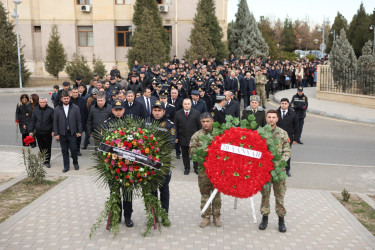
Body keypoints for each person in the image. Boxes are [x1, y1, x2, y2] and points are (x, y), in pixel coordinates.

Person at [259, 109, 291, 233]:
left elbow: (287, 151)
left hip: (279, 171)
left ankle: (281, 220)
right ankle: (264, 218)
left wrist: (279, 163)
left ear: (277, 119)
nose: (271, 119)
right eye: (269, 117)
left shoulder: (283, 133)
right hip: (265, 172)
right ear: (266, 118)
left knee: (280, 196)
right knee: (265, 196)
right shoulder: (260, 133)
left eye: (273, 117)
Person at [103, 99, 134, 228]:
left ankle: (128, 217)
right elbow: (103, 144)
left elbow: (134, 143)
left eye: (120, 109)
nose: (118, 111)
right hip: (113, 164)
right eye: (116, 109)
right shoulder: (107, 124)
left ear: (124, 110)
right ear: (112, 110)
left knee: (127, 192)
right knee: (114, 191)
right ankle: (117, 215)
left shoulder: (130, 123)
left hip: (127, 165)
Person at [190, 112, 222, 228]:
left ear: (212, 121)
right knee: (205, 194)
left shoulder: (219, 134)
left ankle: (217, 216)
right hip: (203, 170)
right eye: (203, 122)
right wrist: (202, 152)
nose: (205, 124)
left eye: (207, 121)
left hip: (217, 170)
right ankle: (206, 217)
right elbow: (191, 151)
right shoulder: (197, 135)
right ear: (201, 122)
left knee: (216, 194)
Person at [148, 100, 176, 226]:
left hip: (163, 163)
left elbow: (170, 144)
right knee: (151, 189)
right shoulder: (146, 122)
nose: (157, 113)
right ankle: (153, 215)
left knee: (164, 189)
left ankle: (164, 215)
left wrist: (153, 147)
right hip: (148, 163)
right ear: (152, 111)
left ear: (164, 112)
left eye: (160, 110)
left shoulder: (169, 124)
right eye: (155, 110)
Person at [53, 90, 82, 173]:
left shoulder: (75, 108)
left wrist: (79, 131)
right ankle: (66, 166)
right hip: (62, 133)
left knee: (73, 149)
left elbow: (78, 121)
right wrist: (56, 133)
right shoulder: (57, 109)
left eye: (67, 98)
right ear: (61, 99)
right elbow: (55, 122)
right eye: (64, 98)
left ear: (70, 98)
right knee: (64, 150)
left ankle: (75, 163)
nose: (66, 100)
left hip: (72, 133)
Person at [174, 99, 201, 175]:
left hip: (194, 138)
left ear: (191, 104)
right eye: (185, 104)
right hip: (182, 137)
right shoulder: (178, 114)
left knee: (195, 154)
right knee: (185, 154)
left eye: (188, 104)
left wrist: (199, 137)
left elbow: (199, 126)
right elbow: (175, 126)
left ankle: (196, 168)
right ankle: (187, 168)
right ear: (182, 104)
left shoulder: (196, 113)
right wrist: (175, 137)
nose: (187, 105)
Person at [29, 97, 54, 168]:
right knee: (41, 147)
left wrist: (53, 130)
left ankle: (47, 161)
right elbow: (33, 121)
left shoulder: (51, 110)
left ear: (46, 103)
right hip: (38, 132)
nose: (42, 104)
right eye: (41, 102)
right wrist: (31, 130)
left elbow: (53, 121)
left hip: (48, 132)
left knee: (47, 147)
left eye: (43, 102)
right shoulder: (36, 110)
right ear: (39, 103)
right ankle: (44, 158)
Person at [276, 98, 299, 177]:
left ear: (288, 104)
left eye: (285, 103)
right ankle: (277, 169)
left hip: (288, 138)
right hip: (277, 137)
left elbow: (296, 127)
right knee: (277, 153)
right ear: (280, 104)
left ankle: (287, 169)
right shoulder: (276, 113)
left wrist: (296, 139)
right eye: (282, 103)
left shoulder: (292, 114)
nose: (284, 105)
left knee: (287, 154)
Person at [70, 88, 88, 155]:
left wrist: (86, 122)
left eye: (76, 92)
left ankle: (77, 150)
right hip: (71, 122)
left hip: (80, 122)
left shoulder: (82, 100)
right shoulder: (69, 100)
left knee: (78, 137)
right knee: (71, 139)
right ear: (71, 93)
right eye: (74, 92)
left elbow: (86, 111)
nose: (75, 93)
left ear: (78, 93)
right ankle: (72, 151)